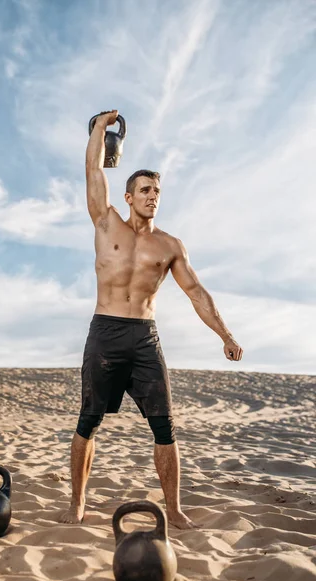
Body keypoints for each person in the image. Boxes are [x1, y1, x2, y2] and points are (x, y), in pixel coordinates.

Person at [59, 109, 243, 529]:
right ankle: (77, 502)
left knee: (165, 427)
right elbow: (92, 169)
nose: (152, 196)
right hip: (105, 332)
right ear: (128, 196)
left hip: (144, 337)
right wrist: (100, 131)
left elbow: (195, 291)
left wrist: (225, 334)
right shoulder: (106, 224)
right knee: (88, 420)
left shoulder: (170, 245)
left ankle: (174, 508)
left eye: (156, 191)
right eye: (144, 190)